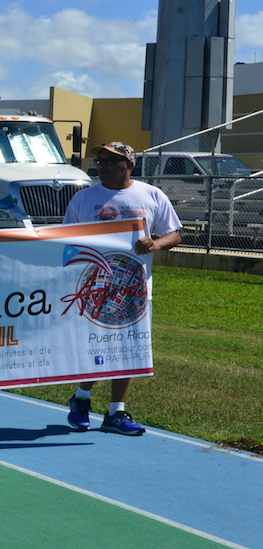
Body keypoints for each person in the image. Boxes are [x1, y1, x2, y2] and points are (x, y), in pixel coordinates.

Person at [63, 142, 182, 436]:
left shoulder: (151, 195)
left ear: (129, 164)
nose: (101, 165)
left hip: (135, 290)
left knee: (129, 351)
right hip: (94, 289)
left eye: (109, 161)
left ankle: (116, 411)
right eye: (99, 160)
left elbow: (174, 233)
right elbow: (65, 240)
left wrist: (155, 243)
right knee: (93, 346)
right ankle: (81, 399)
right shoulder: (84, 198)